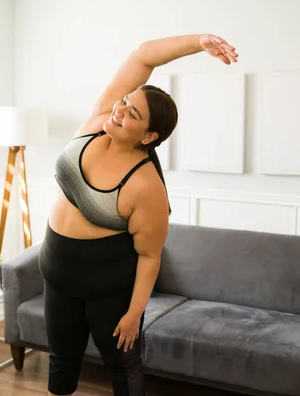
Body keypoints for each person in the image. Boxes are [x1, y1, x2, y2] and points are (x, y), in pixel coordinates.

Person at [38, 33, 238, 396]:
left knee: (122, 366)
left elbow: (149, 255)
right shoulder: (99, 117)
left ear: (149, 136)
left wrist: (133, 315)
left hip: (108, 290)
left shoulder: (145, 186)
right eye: (124, 102)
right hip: (58, 276)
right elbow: (145, 56)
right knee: (61, 360)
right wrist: (200, 41)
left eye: (132, 114)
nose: (119, 109)